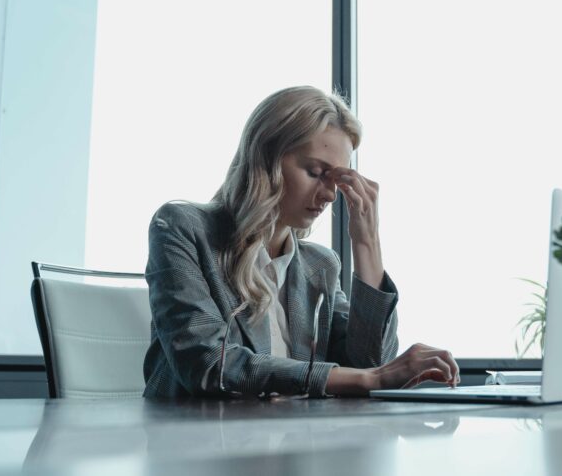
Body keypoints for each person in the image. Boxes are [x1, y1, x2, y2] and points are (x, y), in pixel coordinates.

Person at [143, 86, 459, 398]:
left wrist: (367, 245)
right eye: (316, 172)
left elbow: (369, 366)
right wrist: (368, 378)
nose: (330, 194)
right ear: (265, 159)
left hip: (297, 440)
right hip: (198, 441)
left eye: (337, 179)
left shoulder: (319, 265)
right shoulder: (181, 228)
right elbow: (208, 364)